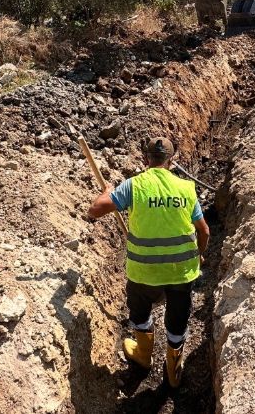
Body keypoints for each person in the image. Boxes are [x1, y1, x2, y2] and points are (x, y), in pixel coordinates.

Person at [87, 137, 210, 388]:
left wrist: (107, 192)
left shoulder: (134, 186)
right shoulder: (186, 188)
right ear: (171, 161)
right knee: (177, 321)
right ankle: (174, 372)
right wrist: (199, 254)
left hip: (144, 273)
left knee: (140, 314)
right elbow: (204, 232)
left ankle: (143, 358)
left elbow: (95, 210)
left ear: (146, 160)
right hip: (181, 273)